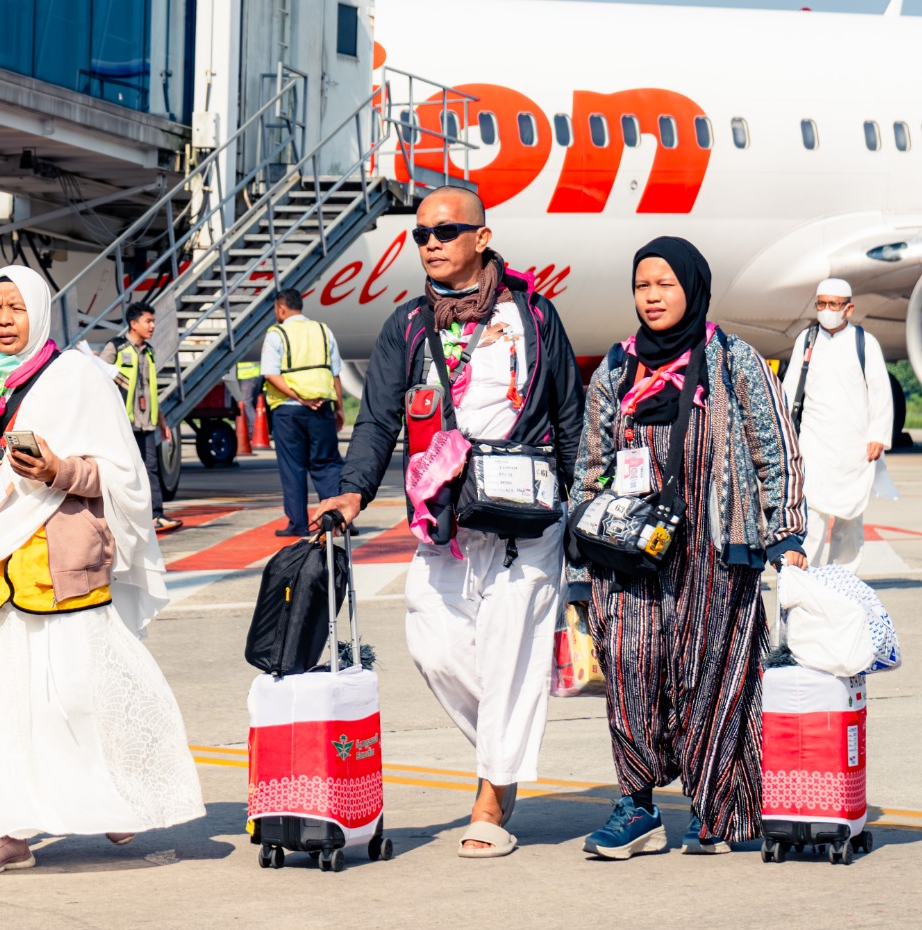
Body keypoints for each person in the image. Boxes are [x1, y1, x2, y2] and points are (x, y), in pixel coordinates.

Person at [313, 186, 584, 858]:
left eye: (446, 231)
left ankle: (491, 797)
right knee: (432, 645)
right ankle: (504, 755)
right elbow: (377, 419)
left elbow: (570, 415)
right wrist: (352, 493)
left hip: (525, 519)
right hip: (445, 520)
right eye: (421, 235)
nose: (431, 243)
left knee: (510, 654)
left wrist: (584, 507)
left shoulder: (535, 316)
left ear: (481, 238)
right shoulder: (408, 327)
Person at [0, 266, 205, 874]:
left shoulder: (76, 376)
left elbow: (123, 474)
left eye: (15, 307)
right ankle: (5, 831)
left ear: (40, 312)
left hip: (62, 563)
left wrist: (57, 472)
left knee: (78, 693)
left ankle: (118, 797)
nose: (2, 319)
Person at [568, 236, 807, 860]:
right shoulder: (618, 368)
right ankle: (637, 807)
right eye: (643, 286)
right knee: (630, 670)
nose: (651, 297)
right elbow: (592, 459)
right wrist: (581, 526)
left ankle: (717, 809)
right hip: (628, 556)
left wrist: (787, 531)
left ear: (693, 288)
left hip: (713, 552)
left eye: (664, 285)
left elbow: (773, 444)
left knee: (713, 677)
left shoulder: (734, 359)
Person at [780, 278, 893, 571]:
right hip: (814, 444)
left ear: (849, 309)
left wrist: (878, 435)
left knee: (850, 518)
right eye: (821, 304)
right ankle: (808, 578)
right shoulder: (806, 340)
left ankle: (844, 579)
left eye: (834, 304)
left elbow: (880, 392)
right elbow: (790, 389)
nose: (827, 310)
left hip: (854, 447)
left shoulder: (864, 342)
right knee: (813, 515)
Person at [262, 288, 346, 536]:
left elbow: (270, 374)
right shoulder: (323, 330)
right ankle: (338, 521)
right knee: (328, 465)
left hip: (289, 412)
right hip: (322, 409)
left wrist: (299, 397)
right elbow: (335, 372)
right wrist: (339, 408)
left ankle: (298, 525)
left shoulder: (276, 333)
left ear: (280, 308)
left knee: (293, 468)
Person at [101, 303, 182, 534]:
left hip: (146, 422)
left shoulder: (149, 352)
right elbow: (99, 376)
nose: (152, 326)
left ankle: (155, 514)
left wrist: (162, 421)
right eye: (148, 321)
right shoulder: (116, 347)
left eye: (153, 321)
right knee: (124, 471)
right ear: (133, 323)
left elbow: (151, 391)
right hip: (122, 424)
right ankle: (123, 517)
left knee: (150, 468)